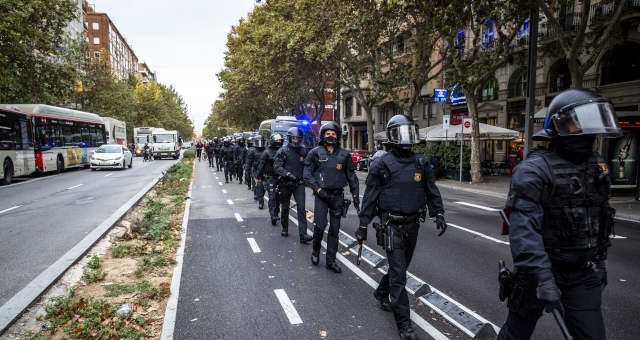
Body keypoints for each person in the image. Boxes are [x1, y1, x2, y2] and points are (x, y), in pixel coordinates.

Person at [496, 88, 620, 340]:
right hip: (538, 272)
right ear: (560, 125)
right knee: (515, 334)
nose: (587, 130)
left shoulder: (596, 167)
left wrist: (600, 261)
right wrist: (543, 279)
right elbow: (524, 232)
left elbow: (601, 218)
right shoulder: (534, 170)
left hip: (581, 273)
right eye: (578, 122)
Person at [356, 115, 445, 340]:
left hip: (413, 225)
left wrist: (439, 213)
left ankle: (381, 292)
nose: (406, 138)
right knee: (399, 275)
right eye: (400, 133)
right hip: (390, 225)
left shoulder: (421, 162)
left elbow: (431, 190)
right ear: (392, 137)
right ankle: (404, 325)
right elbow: (370, 197)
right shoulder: (381, 163)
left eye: (409, 132)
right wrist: (363, 225)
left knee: (401, 269)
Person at [304, 121, 359, 273]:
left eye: (333, 134)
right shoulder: (314, 153)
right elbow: (307, 174)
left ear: (338, 136)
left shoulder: (344, 154)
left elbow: (352, 176)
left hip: (337, 197)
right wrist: (318, 189)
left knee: (335, 230)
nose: (330, 136)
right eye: (327, 133)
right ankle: (315, 252)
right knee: (320, 227)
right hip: (321, 195)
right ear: (322, 135)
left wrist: (355, 195)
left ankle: (331, 260)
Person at [275, 127, 313, 242]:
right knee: (285, 207)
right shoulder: (282, 150)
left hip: (299, 184)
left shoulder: (304, 151)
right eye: (294, 138)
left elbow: (309, 165)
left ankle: (303, 235)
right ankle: (285, 228)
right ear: (289, 138)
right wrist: (288, 174)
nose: (295, 141)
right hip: (285, 183)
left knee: (301, 209)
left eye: (297, 139)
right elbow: (277, 167)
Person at [256, 134, 283, 225]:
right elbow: (261, 165)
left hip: (281, 177)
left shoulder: (283, 151)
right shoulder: (266, 152)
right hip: (270, 178)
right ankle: (273, 216)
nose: (278, 142)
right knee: (272, 196)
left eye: (280, 140)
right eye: (277, 140)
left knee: (278, 197)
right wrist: (257, 177)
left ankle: (276, 212)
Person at [252, 135, 267, 209]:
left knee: (264, 188)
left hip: (265, 171)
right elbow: (249, 161)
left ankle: (261, 196)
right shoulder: (252, 150)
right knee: (259, 186)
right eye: (258, 142)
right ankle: (261, 203)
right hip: (257, 171)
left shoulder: (267, 150)